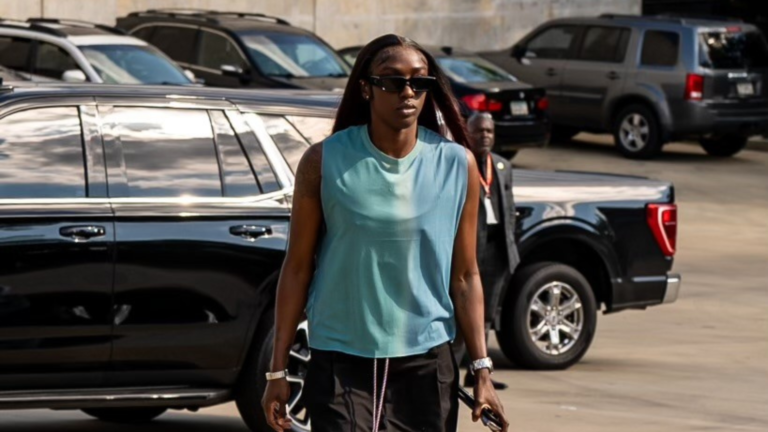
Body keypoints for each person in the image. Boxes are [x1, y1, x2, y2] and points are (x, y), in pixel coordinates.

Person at [261, 34, 509, 432]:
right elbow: (297, 268)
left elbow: (465, 276)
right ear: (366, 88)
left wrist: (481, 370)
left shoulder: (456, 164)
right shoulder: (323, 162)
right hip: (341, 360)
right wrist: (276, 373)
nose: (407, 92)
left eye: (419, 82)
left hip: (426, 363)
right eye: (392, 81)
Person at [453, 112, 520, 390]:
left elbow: (510, 208)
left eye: (490, 131)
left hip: (497, 249)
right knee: (464, 313)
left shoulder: (502, 166)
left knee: (488, 313)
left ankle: (479, 372)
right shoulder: (461, 165)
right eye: (479, 132)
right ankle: (453, 372)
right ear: (468, 134)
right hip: (471, 251)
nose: (485, 137)